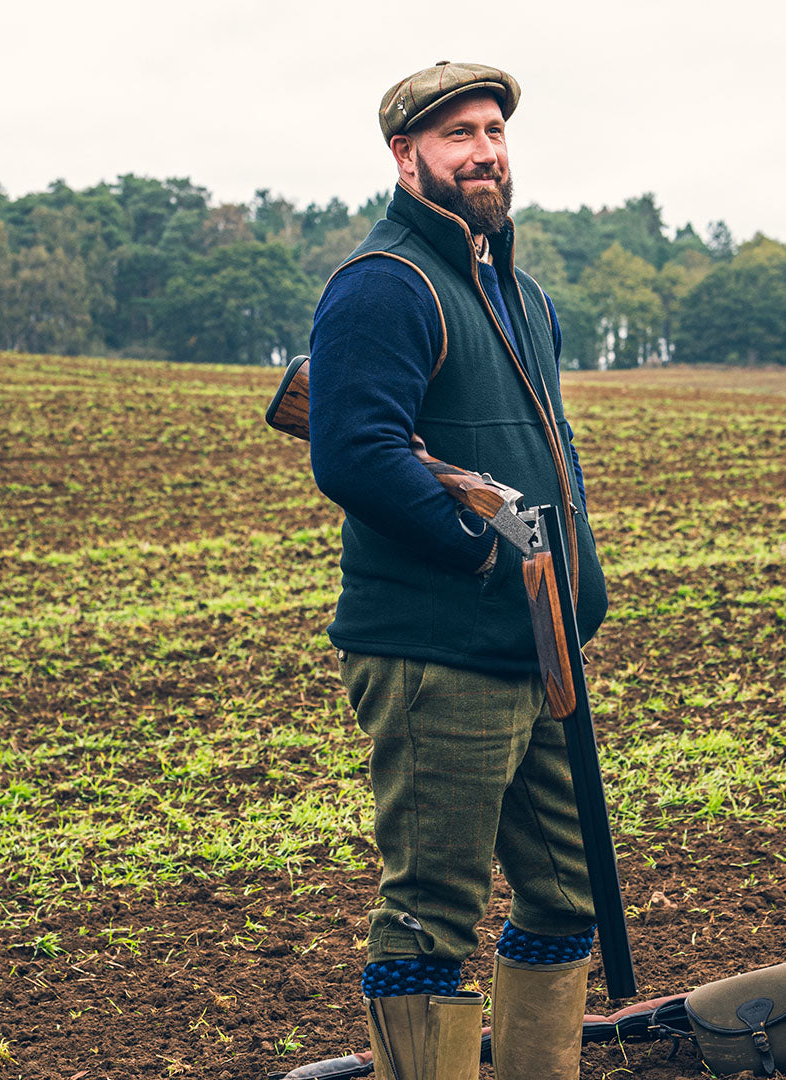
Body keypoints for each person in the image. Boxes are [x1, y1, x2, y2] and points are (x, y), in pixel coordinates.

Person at [302, 61, 608, 1080]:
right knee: (432, 914)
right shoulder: (384, 284)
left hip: (537, 647)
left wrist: (574, 587)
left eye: (492, 131)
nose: (483, 151)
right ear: (405, 156)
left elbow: (546, 453)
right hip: (437, 651)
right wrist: (485, 545)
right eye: (455, 135)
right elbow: (355, 453)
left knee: (567, 891)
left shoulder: (523, 295)